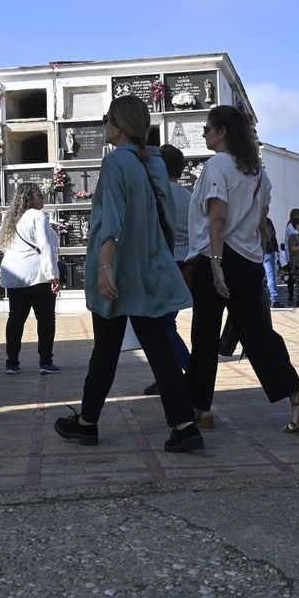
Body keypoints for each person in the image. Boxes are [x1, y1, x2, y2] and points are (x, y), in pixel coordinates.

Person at [54, 95, 202, 453]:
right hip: (148, 270)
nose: (104, 124)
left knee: (105, 350)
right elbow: (164, 221)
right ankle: (184, 425)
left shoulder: (117, 162)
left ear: (119, 126)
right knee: (159, 349)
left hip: (118, 273)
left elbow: (111, 219)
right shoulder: (150, 163)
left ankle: (88, 424)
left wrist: (105, 266)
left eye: (107, 119)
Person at [184, 104, 299, 434]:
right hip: (248, 260)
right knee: (257, 334)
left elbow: (217, 218)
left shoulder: (218, 166)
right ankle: (297, 395)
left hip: (217, 257)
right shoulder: (258, 173)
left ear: (223, 133)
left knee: (204, 336)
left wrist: (216, 266)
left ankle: (199, 409)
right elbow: (261, 226)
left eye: (208, 128)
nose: (204, 134)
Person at [143, 144, 195, 395]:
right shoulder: (189, 195)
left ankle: (191, 369)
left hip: (165, 261)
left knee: (162, 326)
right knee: (166, 323)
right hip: (186, 262)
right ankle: (166, 377)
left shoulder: (160, 194)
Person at [0, 181, 61, 376]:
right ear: (28, 199)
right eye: (37, 195)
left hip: (16, 277)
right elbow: (45, 246)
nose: (41, 197)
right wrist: (53, 275)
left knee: (16, 319)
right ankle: (45, 361)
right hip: (37, 276)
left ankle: (12, 363)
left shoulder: (12, 219)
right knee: (46, 319)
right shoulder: (37, 215)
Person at [260, 216, 280, 306]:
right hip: (267, 251)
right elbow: (269, 235)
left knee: (259, 275)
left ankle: (260, 299)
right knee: (270, 276)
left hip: (257, 252)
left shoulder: (253, 218)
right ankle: (274, 299)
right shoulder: (266, 220)